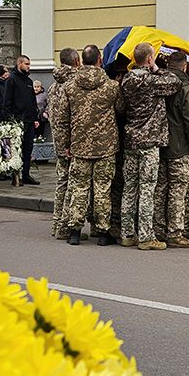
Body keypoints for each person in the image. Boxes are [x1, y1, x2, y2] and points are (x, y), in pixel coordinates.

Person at [120, 42, 182, 250]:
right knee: (147, 188)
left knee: (129, 187)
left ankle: (127, 233)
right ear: (149, 59)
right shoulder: (151, 80)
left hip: (130, 139)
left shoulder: (126, 80)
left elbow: (121, 107)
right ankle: (146, 237)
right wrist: (156, 68)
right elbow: (175, 83)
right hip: (149, 141)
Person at [61, 44, 123, 246]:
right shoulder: (112, 86)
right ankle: (103, 233)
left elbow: (63, 118)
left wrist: (65, 144)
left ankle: (75, 231)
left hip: (79, 145)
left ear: (82, 60)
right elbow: (121, 110)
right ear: (100, 60)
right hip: (105, 146)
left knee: (79, 188)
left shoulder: (69, 87)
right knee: (103, 189)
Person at [153, 50, 189, 248]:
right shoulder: (185, 88)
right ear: (184, 66)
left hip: (159, 143)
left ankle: (158, 230)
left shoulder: (157, 84)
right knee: (177, 191)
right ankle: (175, 232)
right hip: (179, 146)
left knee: (160, 189)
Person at [47, 48, 82, 239]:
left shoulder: (54, 85)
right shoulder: (74, 83)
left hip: (58, 139)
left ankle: (57, 223)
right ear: (76, 61)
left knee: (62, 182)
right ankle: (65, 227)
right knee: (73, 184)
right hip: (70, 141)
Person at [3, 55, 41, 185]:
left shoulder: (29, 81)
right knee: (16, 149)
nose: (28, 66)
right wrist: (10, 119)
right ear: (19, 64)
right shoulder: (11, 80)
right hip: (17, 121)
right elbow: (7, 101)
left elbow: (32, 101)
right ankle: (16, 175)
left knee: (28, 149)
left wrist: (35, 117)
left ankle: (26, 174)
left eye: (29, 64)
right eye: (26, 64)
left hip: (29, 120)